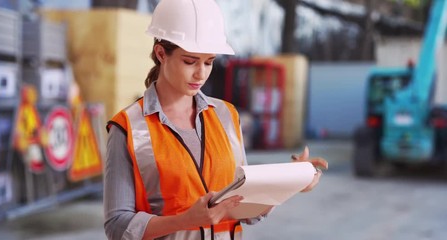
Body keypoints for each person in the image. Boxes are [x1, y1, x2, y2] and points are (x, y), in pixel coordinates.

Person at [103, 0, 328, 239]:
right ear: (161, 54)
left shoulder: (226, 116)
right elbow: (117, 225)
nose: (201, 73)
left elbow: (245, 205)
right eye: (190, 61)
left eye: (209, 62)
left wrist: (288, 180)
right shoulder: (128, 128)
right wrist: (185, 220)